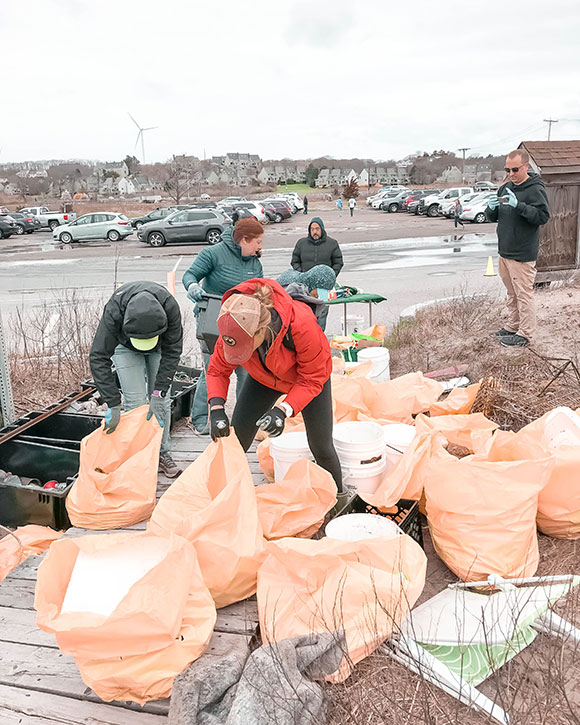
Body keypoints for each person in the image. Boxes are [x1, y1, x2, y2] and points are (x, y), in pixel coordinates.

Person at [206, 279, 343, 493]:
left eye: (246, 347)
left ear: (261, 331)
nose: (242, 353)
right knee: (236, 439)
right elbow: (217, 370)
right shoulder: (232, 325)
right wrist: (215, 409)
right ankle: (226, 499)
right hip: (264, 378)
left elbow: (312, 378)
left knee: (321, 445)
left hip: (307, 380)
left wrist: (283, 410)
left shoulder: (303, 327)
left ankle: (338, 499)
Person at [89, 281, 183, 478]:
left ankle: (162, 452)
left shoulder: (170, 307)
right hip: (126, 347)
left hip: (160, 345)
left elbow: (172, 352)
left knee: (161, 401)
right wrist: (113, 403)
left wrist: (159, 391)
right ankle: (140, 453)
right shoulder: (114, 311)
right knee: (136, 401)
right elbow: (98, 357)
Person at [182, 217, 264, 433]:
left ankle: (243, 421)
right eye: (257, 242)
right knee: (213, 368)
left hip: (243, 323)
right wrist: (192, 287)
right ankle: (201, 419)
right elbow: (190, 275)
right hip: (212, 319)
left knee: (246, 370)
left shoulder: (255, 262)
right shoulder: (213, 253)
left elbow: (260, 290)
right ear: (244, 240)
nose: (259, 247)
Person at [486, 149, 550, 347]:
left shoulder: (535, 189)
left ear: (526, 167)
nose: (511, 174)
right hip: (504, 251)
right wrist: (490, 209)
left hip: (522, 254)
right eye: (507, 170)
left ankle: (526, 334)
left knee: (523, 294)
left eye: (515, 169)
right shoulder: (504, 189)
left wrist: (519, 206)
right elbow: (493, 218)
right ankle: (513, 326)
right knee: (511, 293)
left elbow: (542, 217)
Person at [291, 218, 343, 331]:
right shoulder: (301, 243)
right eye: (312, 229)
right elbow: (295, 261)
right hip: (305, 286)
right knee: (306, 312)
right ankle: (308, 338)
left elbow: (338, 262)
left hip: (323, 288)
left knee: (322, 313)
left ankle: (319, 337)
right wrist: (302, 275)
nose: (315, 231)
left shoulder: (332, 243)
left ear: (322, 229)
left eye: (317, 229)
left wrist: (330, 277)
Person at [277, 264, 336, 330]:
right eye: (320, 291)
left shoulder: (304, 285)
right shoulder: (293, 291)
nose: (317, 296)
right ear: (314, 284)